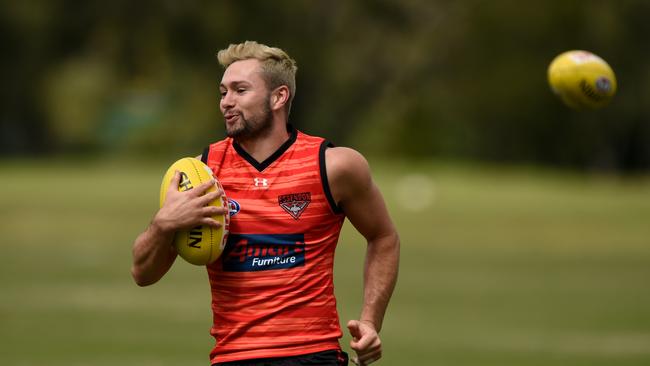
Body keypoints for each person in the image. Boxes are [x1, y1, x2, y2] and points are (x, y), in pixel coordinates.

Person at [131, 41, 400, 366]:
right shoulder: (200, 174)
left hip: (313, 355)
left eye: (240, 90)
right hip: (234, 358)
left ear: (278, 97)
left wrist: (370, 321)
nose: (226, 102)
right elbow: (142, 273)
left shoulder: (332, 166)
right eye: (223, 92)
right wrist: (164, 224)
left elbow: (384, 237)